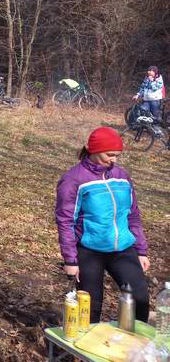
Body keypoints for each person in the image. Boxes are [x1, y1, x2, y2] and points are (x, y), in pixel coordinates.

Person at [55, 127, 150, 324]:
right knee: (90, 309)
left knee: (140, 299)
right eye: (110, 155)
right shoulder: (73, 179)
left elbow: (132, 215)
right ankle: (85, 351)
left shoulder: (122, 176)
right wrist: (71, 260)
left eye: (117, 155)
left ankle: (133, 348)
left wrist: (141, 250)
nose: (113, 159)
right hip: (89, 251)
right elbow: (65, 221)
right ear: (94, 150)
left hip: (123, 249)